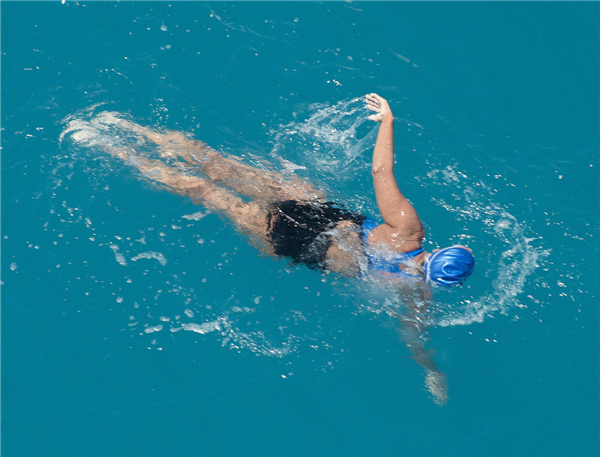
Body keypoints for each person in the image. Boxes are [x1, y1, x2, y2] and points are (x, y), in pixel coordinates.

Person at [78, 93, 475, 404]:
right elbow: (413, 338)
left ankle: (124, 126)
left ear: (444, 250)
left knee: (216, 166)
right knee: (206, 193)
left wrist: (387, 120)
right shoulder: (415, 293)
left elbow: (380, 171)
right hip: (302, 246)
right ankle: (108, 147)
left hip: (320, 212)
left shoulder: (408, 230)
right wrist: (430, 370)